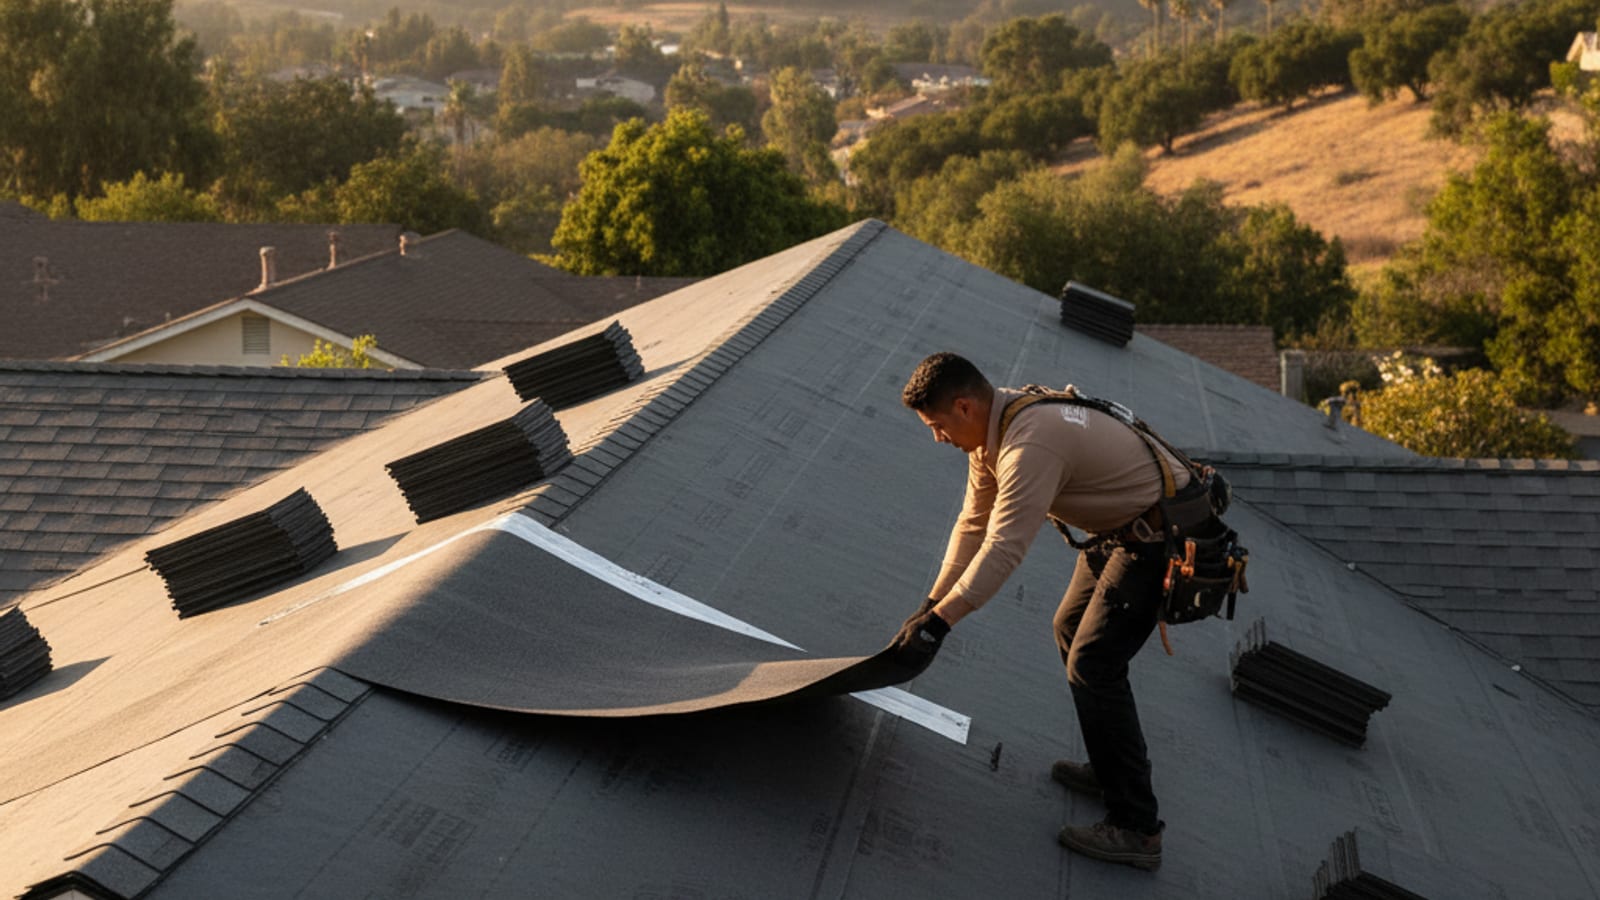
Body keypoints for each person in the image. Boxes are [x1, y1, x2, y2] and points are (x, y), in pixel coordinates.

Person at [890, 351, 1189, 872]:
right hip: (1121, 530)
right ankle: (1109, 768)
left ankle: (1138, 829)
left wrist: (940, 626)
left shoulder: (1029, 443)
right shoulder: (994, 429)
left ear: (963, 407)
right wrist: (930, 603)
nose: (937, 438)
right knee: (1070, 628)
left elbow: (1004, 547)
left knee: (1094, 664)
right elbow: (972, 525)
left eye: (937, 426)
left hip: (1160, 537)